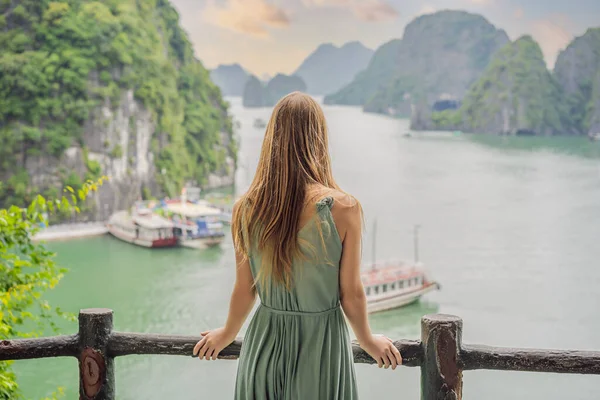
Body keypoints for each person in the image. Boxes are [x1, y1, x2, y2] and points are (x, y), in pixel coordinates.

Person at [193, 92, 401, 399]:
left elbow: (244, 289)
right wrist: (368, 341)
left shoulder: (247, 209)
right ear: (318, 139)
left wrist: (228, 333)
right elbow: (351, 294)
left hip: (262, 346)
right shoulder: (344, 209)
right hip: (322, 349)